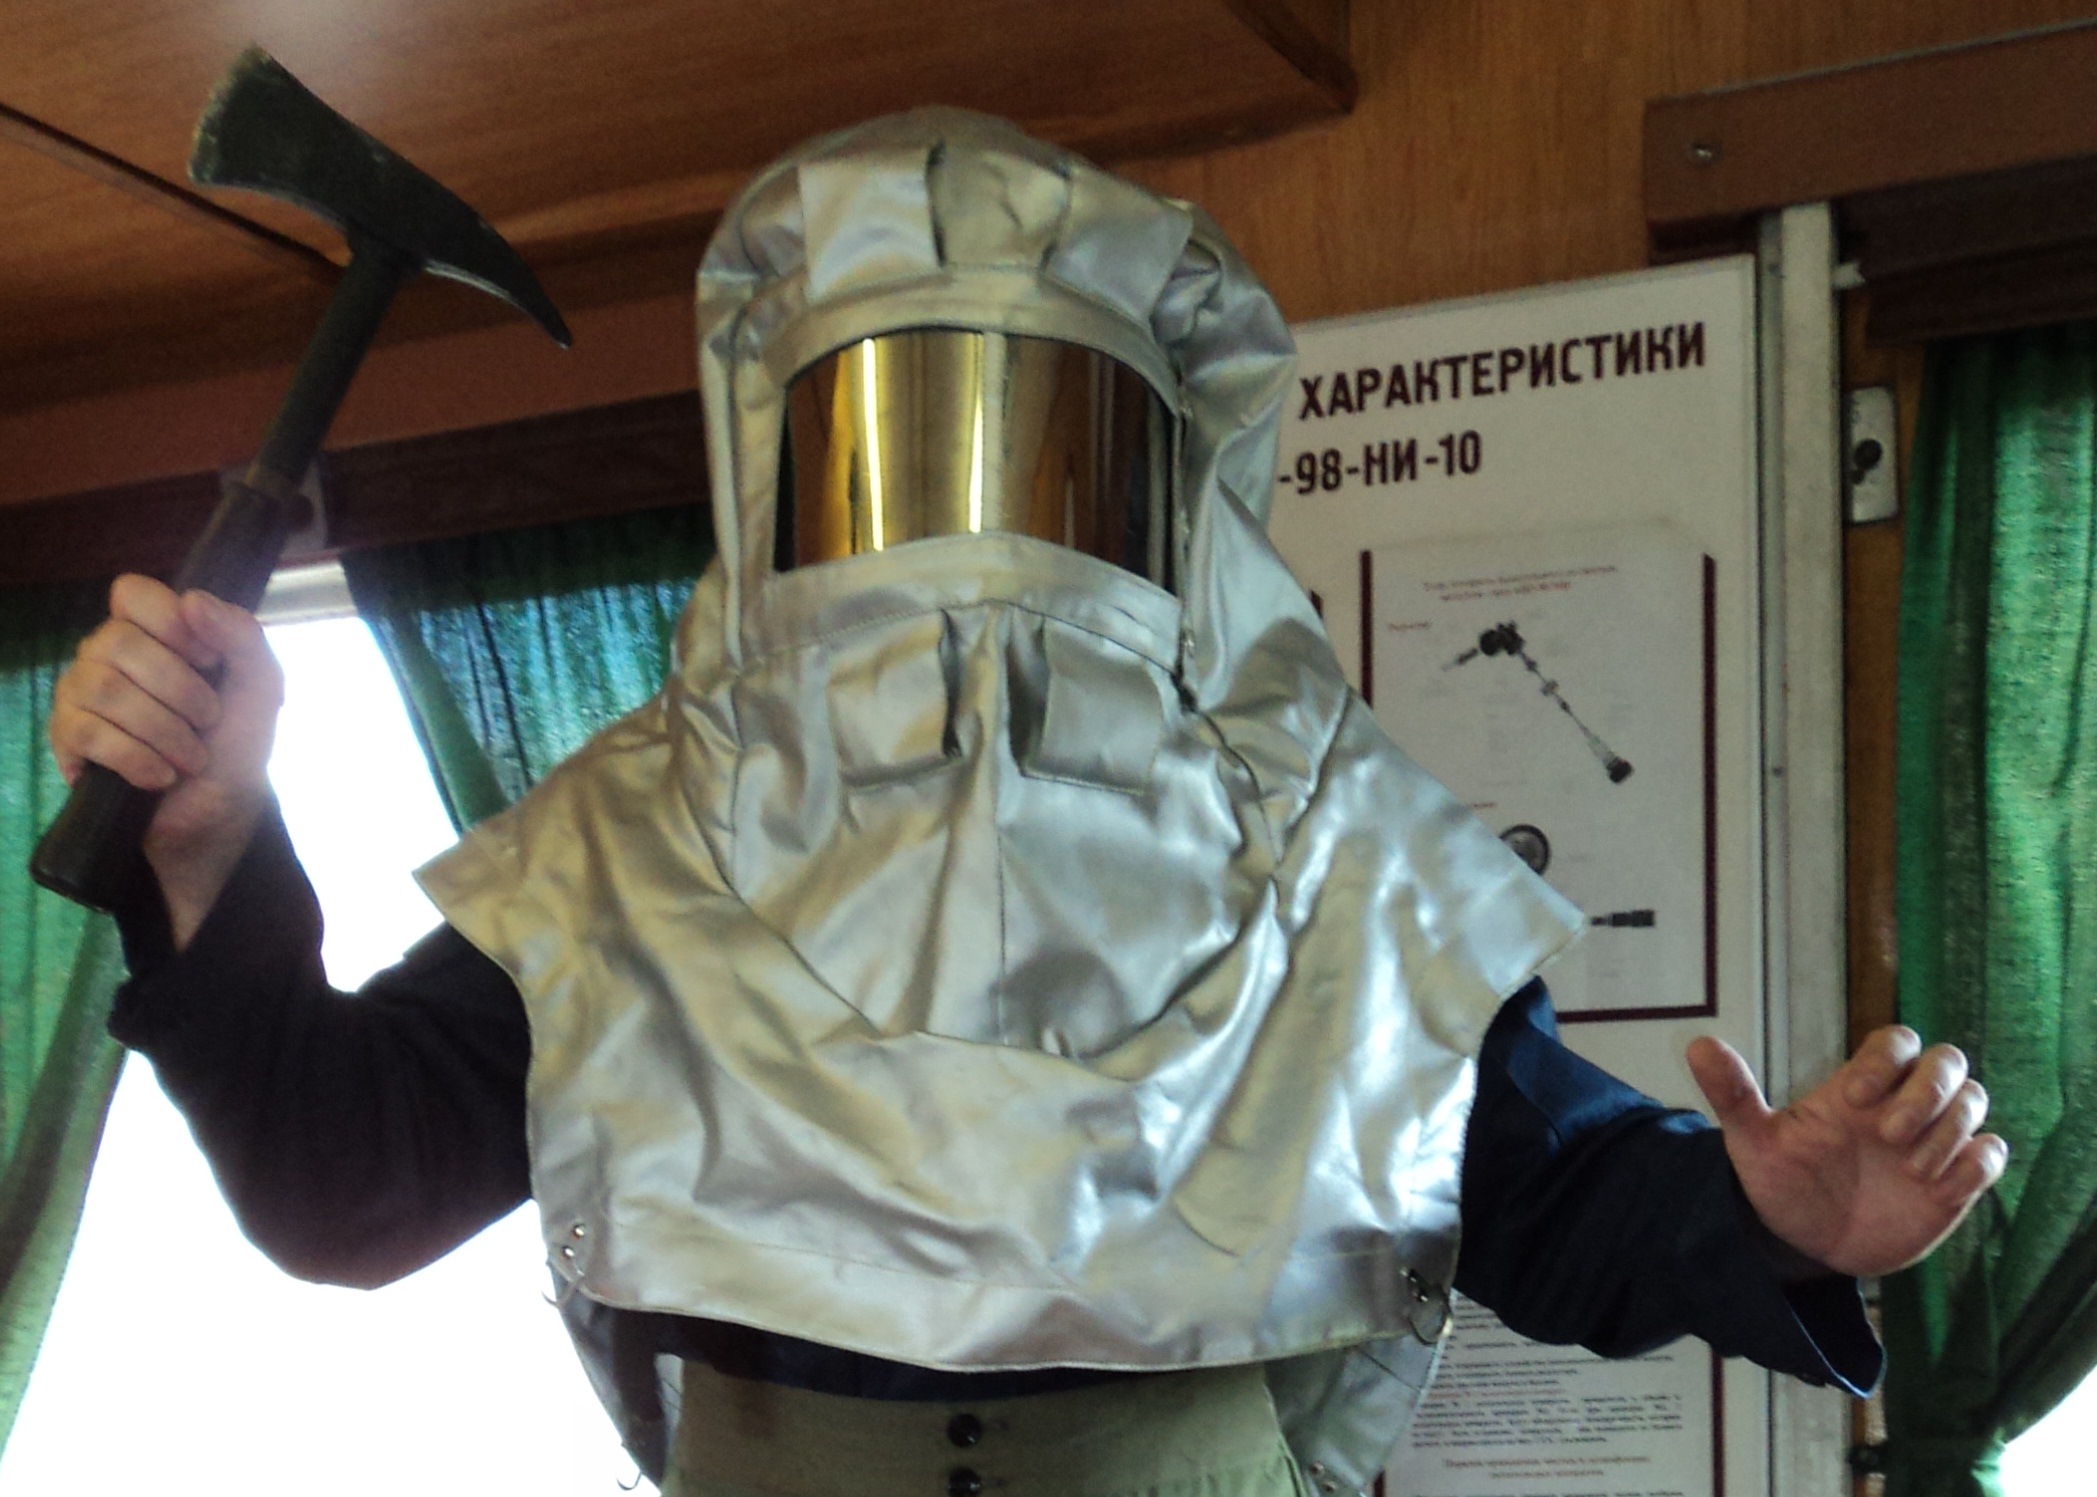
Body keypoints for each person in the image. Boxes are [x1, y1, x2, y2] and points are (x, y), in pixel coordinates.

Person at [49, 112, 2002, 1497]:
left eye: (1047, 450)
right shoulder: (634, 844)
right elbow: (348, 1182)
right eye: (890, 445)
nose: (970, 529)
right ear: (780, 487)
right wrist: (213, 848)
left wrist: (1763, 1213)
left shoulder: (1333, 849)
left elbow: (1542, 1195)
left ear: (1172, 500)